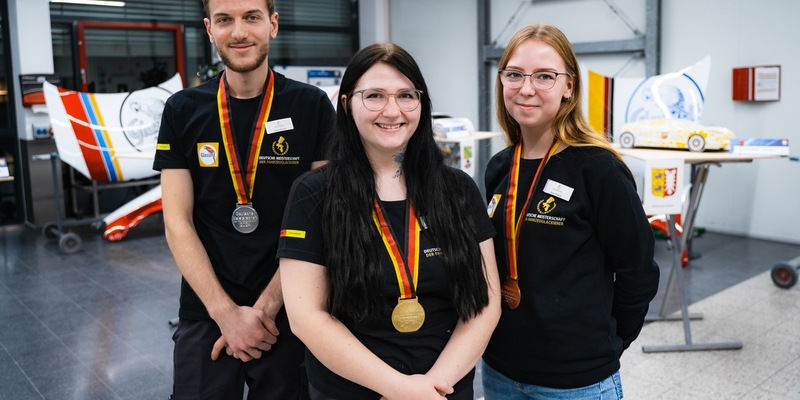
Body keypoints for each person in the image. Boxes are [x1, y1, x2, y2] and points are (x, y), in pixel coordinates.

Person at [277, 43, 502, 400]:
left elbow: (485, 302)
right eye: (375, 96)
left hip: (443, 390)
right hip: (351, 392)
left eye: (406, 95)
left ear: (422, 104)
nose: (392, 110)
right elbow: (306, 317)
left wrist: (431, 387)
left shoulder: (458, 189)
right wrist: (399, 389)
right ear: (346, 104)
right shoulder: (314, 193)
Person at [152, 0, 334, 398]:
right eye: (224, 20)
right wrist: (226, 314)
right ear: (209, 29)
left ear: (273, 24)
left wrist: (265, 309)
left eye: (251, 17)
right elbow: (177, 223)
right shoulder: (182, 110)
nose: (238, 32)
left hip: (292, 304)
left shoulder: (311, 106)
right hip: (207, 307)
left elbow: (323, 219)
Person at [482, 24, 660, 399]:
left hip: (576, 381)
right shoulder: (500, 166)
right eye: (514, 74)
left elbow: (639, 271)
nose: (526, 88)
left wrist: (608, 345)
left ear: (569, 87)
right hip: (500, 370)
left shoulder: (598, 170)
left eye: (544, 76)